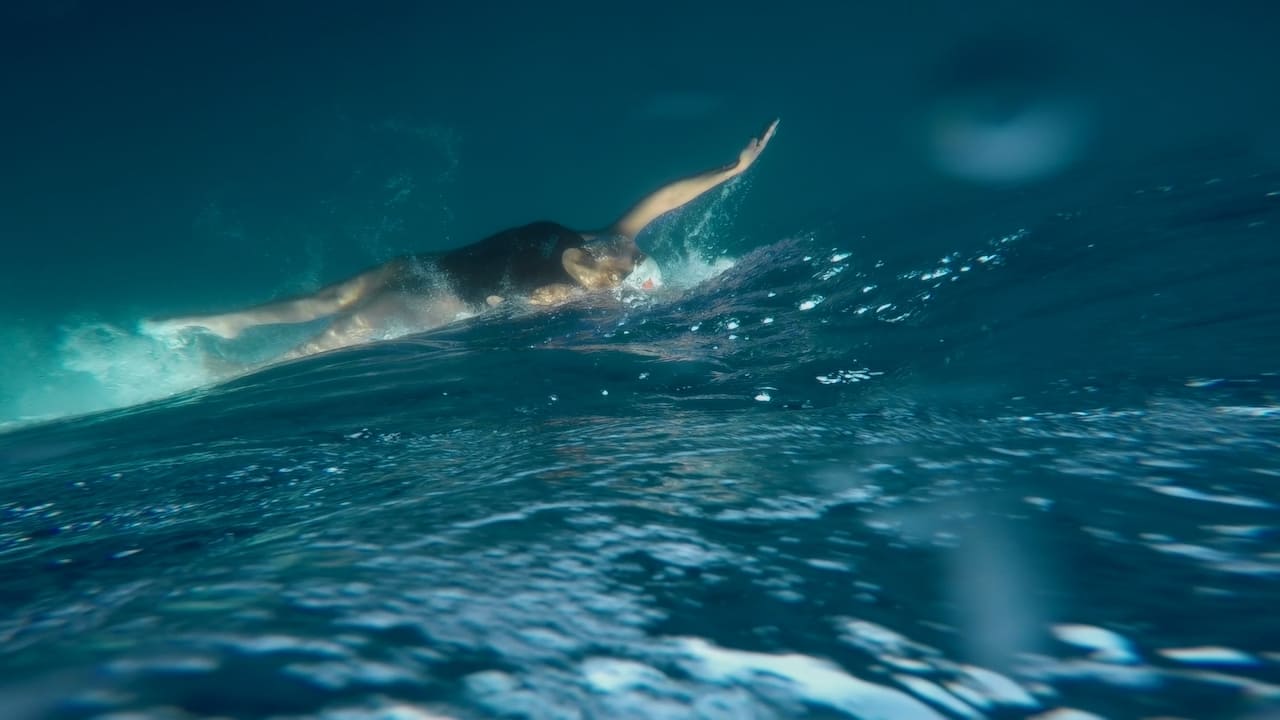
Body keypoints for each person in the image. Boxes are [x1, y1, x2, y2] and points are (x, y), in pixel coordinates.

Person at [143, 119, 779, 362]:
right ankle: (221, 323)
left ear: (613, 278)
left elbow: (614, 334)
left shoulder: (569, 294)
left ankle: (239, 371)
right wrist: (733, 170)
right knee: (325, 297)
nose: (632, 246)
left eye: (634, 259)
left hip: (435, 301)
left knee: (332, 334)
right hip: (421, 266)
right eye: (636, 250)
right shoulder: (605, 237)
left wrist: (697, 317)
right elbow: (667, 198)